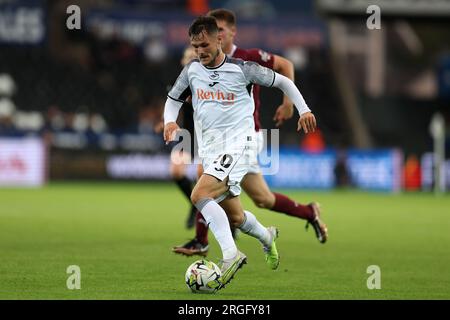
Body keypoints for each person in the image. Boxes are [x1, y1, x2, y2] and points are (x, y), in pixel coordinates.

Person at [164, 16, 317, 288]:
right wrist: (169, 121)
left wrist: (303, 109)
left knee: (199, 193)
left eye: (205, 44)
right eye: (195, 46)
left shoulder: (243, 69)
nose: (200, 51)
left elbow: (284, 81)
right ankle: (267, 237)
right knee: (235, 215)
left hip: (240, 144)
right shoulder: (191, 71)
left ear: (219, 39)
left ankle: (231, 255)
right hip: (211, 149)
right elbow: (173, 99)